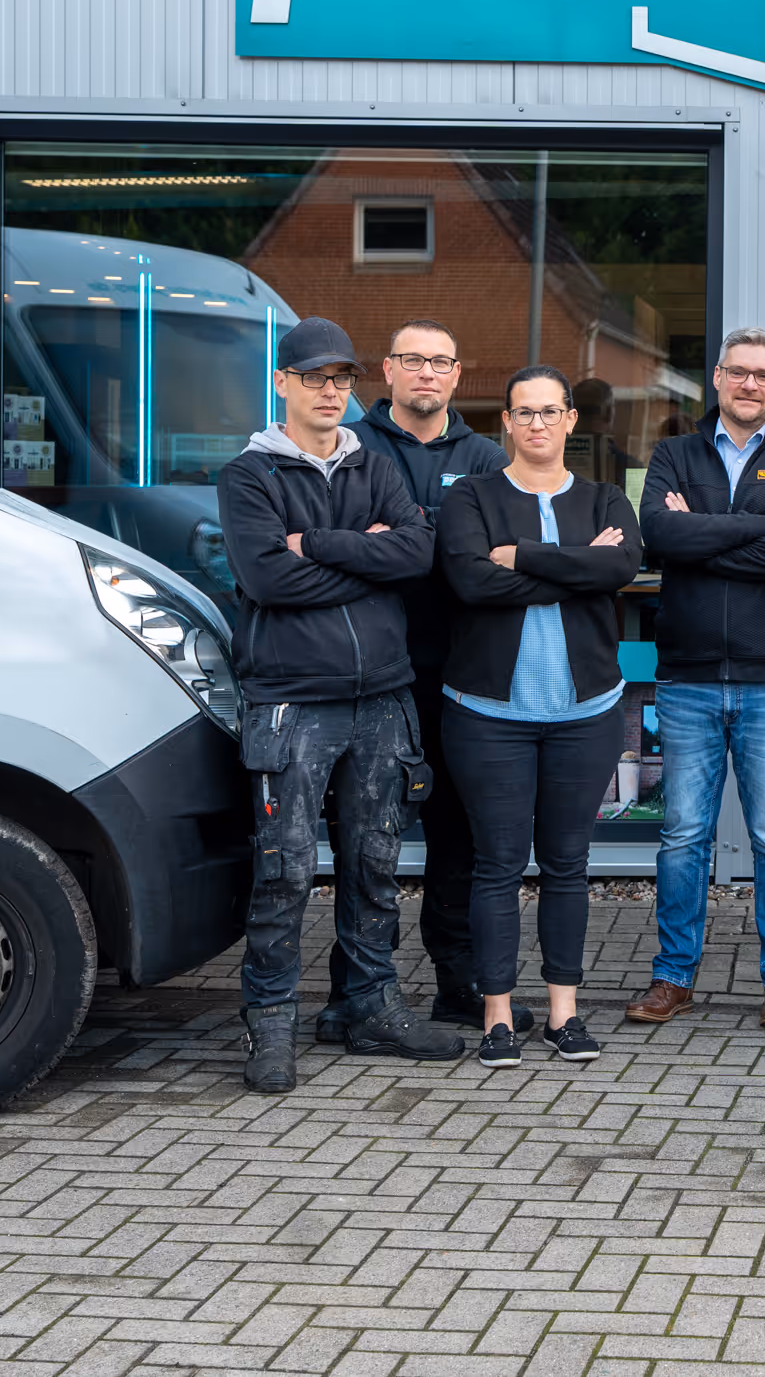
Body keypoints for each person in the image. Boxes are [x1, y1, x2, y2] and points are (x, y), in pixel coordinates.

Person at [217, 316, 465, 1094]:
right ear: (283, 383)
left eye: (341, 378)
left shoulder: (374, 462)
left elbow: (415, 554)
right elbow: (267, 581)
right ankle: (273, 1022)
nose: (331, 389)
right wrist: (367, 551)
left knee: (375, 864)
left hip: (382, 699)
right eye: (315, 376)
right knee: (285, 870)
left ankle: (368, 1006)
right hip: (292, 704)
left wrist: (314, 543)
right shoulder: (249, 477)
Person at [438, 365, 644, 1069]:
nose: (536, 424)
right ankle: (497, 1016)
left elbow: (620, 571)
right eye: (523, 411)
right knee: (495, 865)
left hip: (585, 712)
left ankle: (564, 1012)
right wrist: (576, 566)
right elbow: (469, 579)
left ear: (569, 421)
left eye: (549, 411)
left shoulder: (606, 497)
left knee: (566, 864)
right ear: (505, 421)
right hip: (488, 712)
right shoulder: (471, 497)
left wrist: (522, 557)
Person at [627, 328, 765, 1030]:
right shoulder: (673, 453)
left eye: (762, 375)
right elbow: (659, 536)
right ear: (716, 379)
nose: (749, 385)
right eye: (737, 372)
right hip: (686, 676)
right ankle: (672, 974)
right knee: (683, 833)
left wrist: (706, 533)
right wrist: (754, 525)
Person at [310, 317, 506, 1044]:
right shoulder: (351, 449)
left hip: (461, 674)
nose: (428, 372)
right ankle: (355, 990)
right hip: (370, 670)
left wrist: (396, 542)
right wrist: (421, 544)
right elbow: (345, 549)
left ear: (458, 375)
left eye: (442, 361)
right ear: (387, 371)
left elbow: (485, 557)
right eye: (413, 359)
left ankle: (457, 982)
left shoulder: (486, 456)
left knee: (461, 833)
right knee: (367, 837)